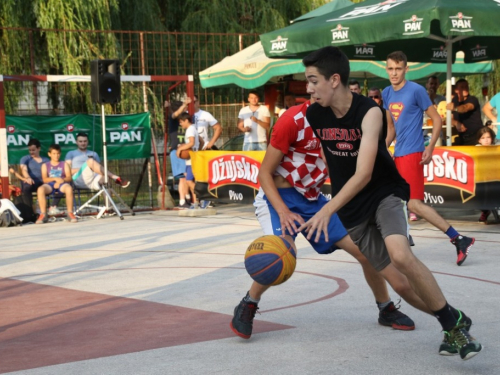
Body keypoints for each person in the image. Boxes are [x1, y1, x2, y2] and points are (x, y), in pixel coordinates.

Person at [301, 46, 481, 360]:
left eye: (313, 80)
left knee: (400, 254)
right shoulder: (315, 113)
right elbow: (334, 161)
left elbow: (364, 173)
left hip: (381, 192)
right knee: (400, 286)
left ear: (334, 80)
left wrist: (326, 208)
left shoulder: (369, 112)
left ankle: (454, 330)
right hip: (351, 210)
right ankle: (453, 320)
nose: (309, 88)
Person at [231, 95, 435, 341]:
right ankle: (249, 303)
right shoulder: (293, 120)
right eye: (313, 84)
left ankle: (385, 307)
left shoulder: (345, 125)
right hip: (278, 198)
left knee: (365, 250)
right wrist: (283, 211)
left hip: (313, 199)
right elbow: (264, 173)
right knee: (281, 253)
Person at [382, 51, 475, 266]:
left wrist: (430, 147)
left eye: (398, 69)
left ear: (406, 69)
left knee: (413, 204)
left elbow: (436, 120)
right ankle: (404, 237)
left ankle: (458, 238)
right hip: (398, 155)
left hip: (413, 153)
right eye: (390, 69)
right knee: (392, 198)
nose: (394, 73)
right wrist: (382, 148)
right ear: (386, 69)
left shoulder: (416, 90)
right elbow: (390, 127)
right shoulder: (386, 93)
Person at [65, 133, 130, 191]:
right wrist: (86, 167)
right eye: (80, 141)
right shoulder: (71, 153)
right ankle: (114, 177)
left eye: (85, 141)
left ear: (88, 142)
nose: (83, 143)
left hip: (93, 179)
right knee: (90, 161)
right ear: (76, 142)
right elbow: (67, 171)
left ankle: (108, 204)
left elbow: (99, 169)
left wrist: (91, 168)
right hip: (79, 179)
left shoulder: (94, 153)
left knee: (105, 178)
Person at [36, 144, 77, 224]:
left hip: (62, 184)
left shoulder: (64, 164)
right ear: (49, 154)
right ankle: (43, 214)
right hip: (50, 184)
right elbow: (45, 179)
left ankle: (70, 213)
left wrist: (61, 180)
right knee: (40, 189)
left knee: (69, 188)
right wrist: (55, 179)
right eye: (54, 153)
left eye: (58, 153)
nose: (56, 156)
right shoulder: (45, 165)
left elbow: (69, 177)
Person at [165, 97, 190, 208]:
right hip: (177, 152)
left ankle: (187, 198)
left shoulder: (185, 121)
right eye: (183, 109)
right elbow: (175, 114)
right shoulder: (173, 119)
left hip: (185, 151)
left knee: (187, 177)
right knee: (183, 178)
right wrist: (184, 104)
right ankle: (182, 201)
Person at [445, 79, 483, 146]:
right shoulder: (455, 100)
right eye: (462, 87)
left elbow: (465, 108)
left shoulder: (473, 99)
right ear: (456, 90)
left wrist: (455, 108)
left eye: (466, 86)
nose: (465, 88)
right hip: (463, 138)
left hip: (476, 136)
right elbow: (449, 119)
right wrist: (456, 123)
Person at [176, 113, 201, 208]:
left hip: (191, 160)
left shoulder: (190, 130)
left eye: (181, 122)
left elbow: (191, 142)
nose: (180, 124)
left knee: (189, 181)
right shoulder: (193, 128)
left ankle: (204, 197)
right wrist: (198, 150)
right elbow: (201, 141)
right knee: (190, 180)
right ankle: (196, 202)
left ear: (186, 120)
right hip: (192, 158)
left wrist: (180, 149)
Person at [18, 138, 49, 211]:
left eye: (33, 150)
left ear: (39, 149)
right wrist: (28, 178)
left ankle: (51, 209)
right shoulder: (25, 158)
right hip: (31, 181)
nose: (31, 152)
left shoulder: (46, 160)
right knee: (26, 186)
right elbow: (24, 169)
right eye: (30, 150)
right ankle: (29, 211)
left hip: (43, 182)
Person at [475, 126, 497, 224]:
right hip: (482, 179)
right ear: (479, 140)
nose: (486, 140)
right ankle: (485, 211)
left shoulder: (497, 147)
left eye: (488, 137)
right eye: (483, 138)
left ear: (492, 138)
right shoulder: (475, 149)